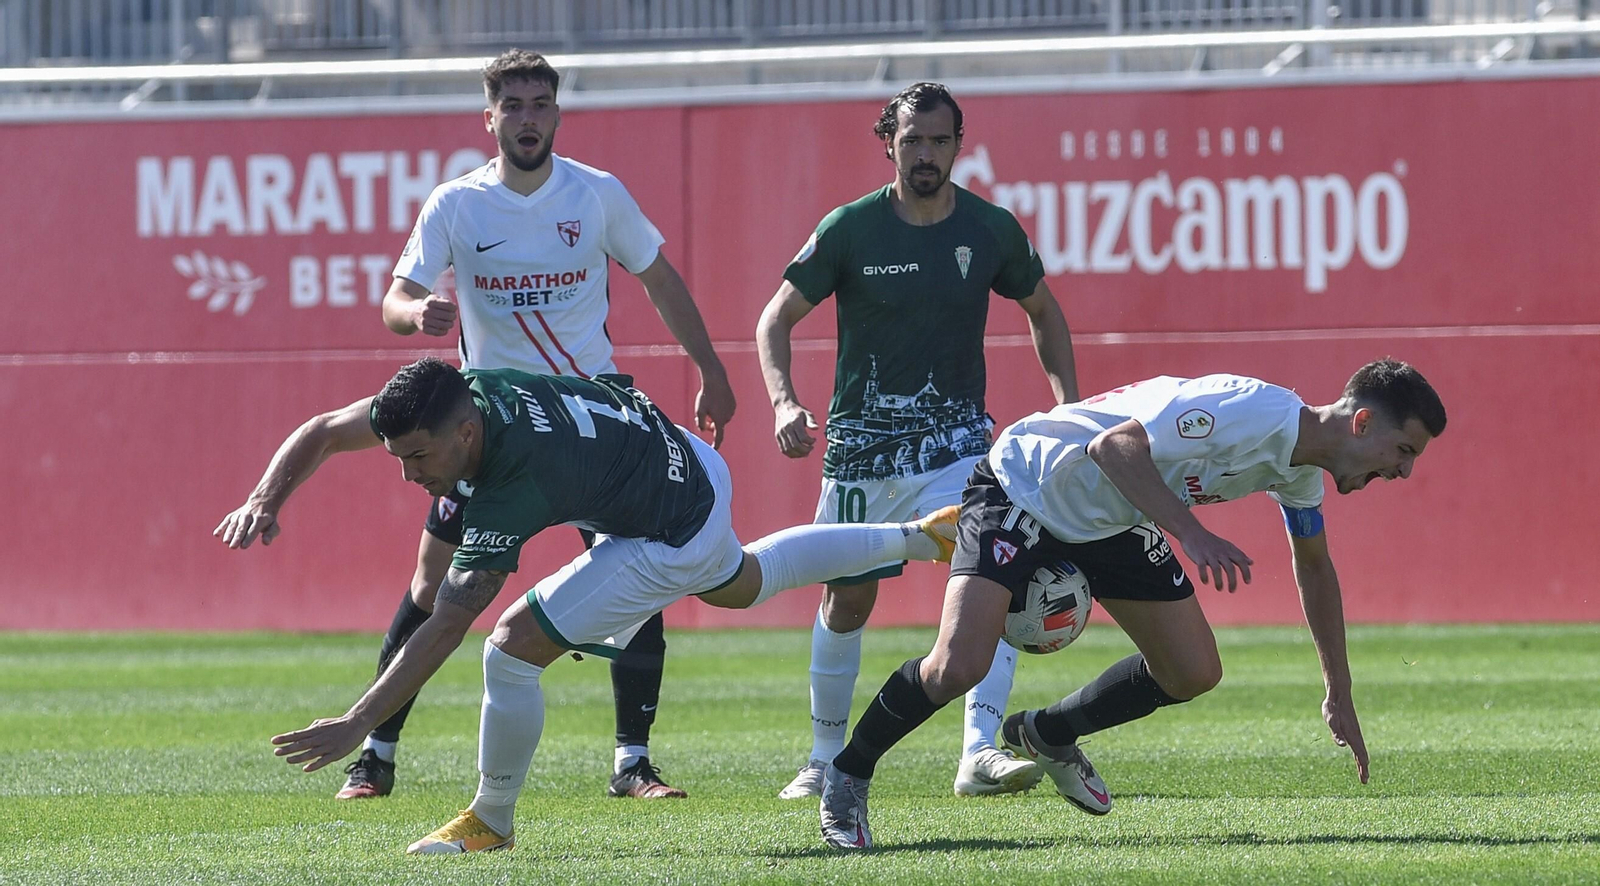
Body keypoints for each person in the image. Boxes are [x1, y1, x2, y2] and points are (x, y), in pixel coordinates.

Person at [217, 358, 956, 853]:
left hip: (666, 526)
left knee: (508, 651)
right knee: (746, 579)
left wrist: (359, 720)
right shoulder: (457, 393)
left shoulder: (512, 477)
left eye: (418, 457)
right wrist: (263, 497)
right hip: (685, 461)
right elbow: (320, 431)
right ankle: (922, 538)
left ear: (466, 433)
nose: (409, 474)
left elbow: (449, 617)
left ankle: (490, 819)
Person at [814, 360, 1448, 849]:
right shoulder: (1251, 410)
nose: (1405, 472)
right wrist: (1191, 533)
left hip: (1113, 517)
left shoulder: (1301, 474)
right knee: (958, 666)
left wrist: (1338, 690)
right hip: (1027, 484)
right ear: (1362, 422)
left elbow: (1315, 567)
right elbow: (1112, 448)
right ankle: (847, 774)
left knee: (1194, 670)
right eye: (1404, 451)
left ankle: (1048, 733)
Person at [367, 48, 739, 801]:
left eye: (541, 105)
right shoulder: (456, 204)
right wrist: (417, 312)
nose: (528, 119)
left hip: (593, 425)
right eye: (514, 106)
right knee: (432, 584)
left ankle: (632, 761)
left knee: (641, 571)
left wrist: (712, 368)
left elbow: (660, 279)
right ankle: (375, 755)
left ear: (558, 115)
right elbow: (395, 300)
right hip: (494, 433)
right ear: (490, 118)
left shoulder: (596, 195)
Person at [756, 81, 1079, 799]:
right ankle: (823, 758)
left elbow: (1044, 312)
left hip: (958, 447)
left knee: (995, 578)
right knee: (847, 601)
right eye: (912, 141)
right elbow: (774, 319)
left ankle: (979, 752)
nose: (925, 154)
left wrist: (1070, 408)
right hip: (861, 455)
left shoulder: (990, 229)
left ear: (959, 144)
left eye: (938, 141)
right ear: (888, 142)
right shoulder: (850, 228)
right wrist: (784, 402)